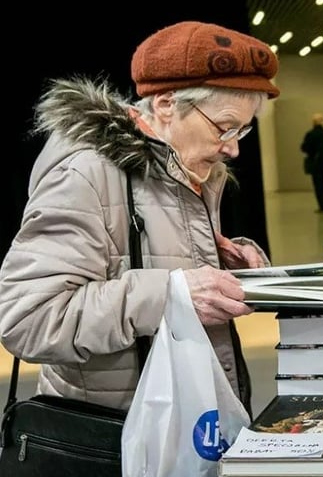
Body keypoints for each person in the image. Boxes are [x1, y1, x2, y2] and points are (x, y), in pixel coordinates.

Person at [0, 21, 280, 414]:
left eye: (243, 130)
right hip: (114, 438)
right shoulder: (85, 175)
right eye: (225, 127)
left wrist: (228, 266)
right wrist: (172, 295)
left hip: (189, 423)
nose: (233, 148)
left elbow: (150, 264)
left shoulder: (193, 168)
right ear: (166, 104)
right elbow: (29, 319)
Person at [301, 113, 323, 212]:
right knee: (322, 181)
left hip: (314, 163)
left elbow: (304, 148)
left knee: (318, 184)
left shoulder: (310, 134)